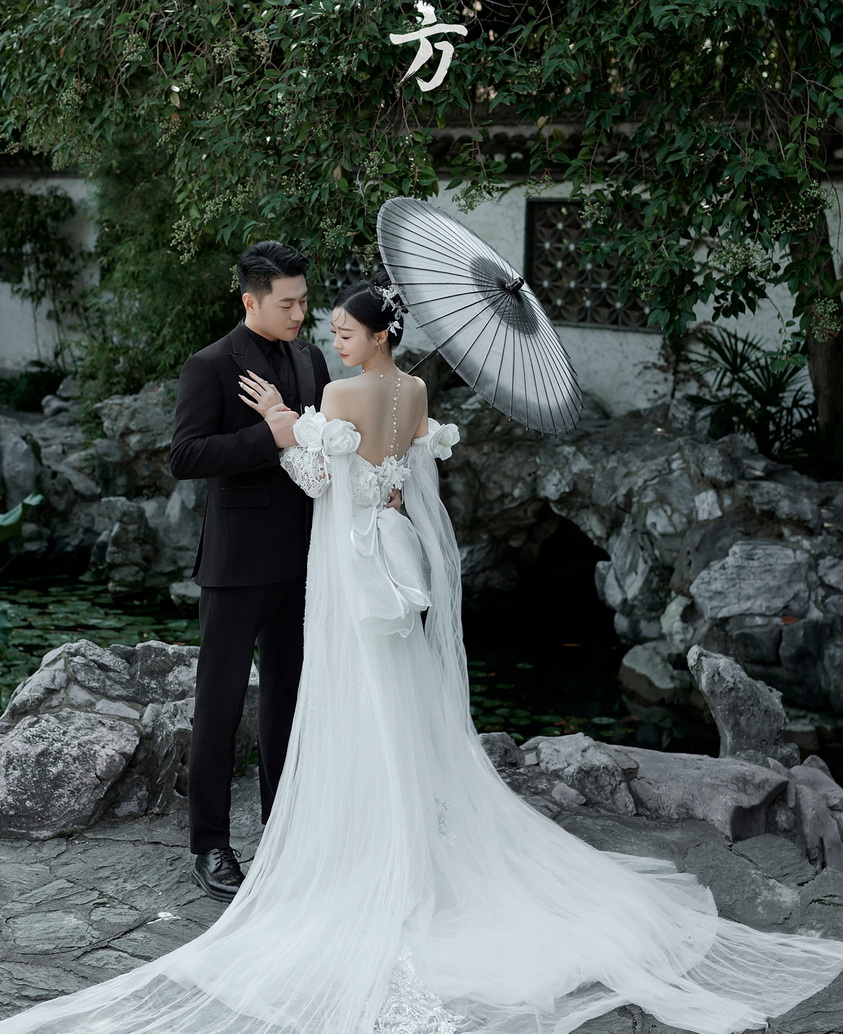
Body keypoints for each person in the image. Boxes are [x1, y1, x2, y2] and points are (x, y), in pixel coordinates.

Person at [1, 272, 843, 1034]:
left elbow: (322, 475)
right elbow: (355, 468)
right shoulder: (391, 384)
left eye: (334, 322)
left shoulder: (329, 381)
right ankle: (251, 841)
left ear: (373, 334)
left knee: (341, 699)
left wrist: (284, 425)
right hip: (361, 554)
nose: (318, 327)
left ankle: (347, 847)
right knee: (381, 699)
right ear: (254, 298)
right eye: (303, 310)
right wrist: (313, 440)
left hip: (345, 564)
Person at [169, 240, 330, 901]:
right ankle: (209, 844)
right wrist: (270, 436)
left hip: (304, 559)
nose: (299, 313)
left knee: (288, 702)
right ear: (251, 300)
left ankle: (282, 831)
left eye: (303, 301)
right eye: (286, 303)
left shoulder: (311, 358)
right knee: (220, 705)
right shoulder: (209, 365)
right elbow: (185, 456)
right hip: (235, 564)